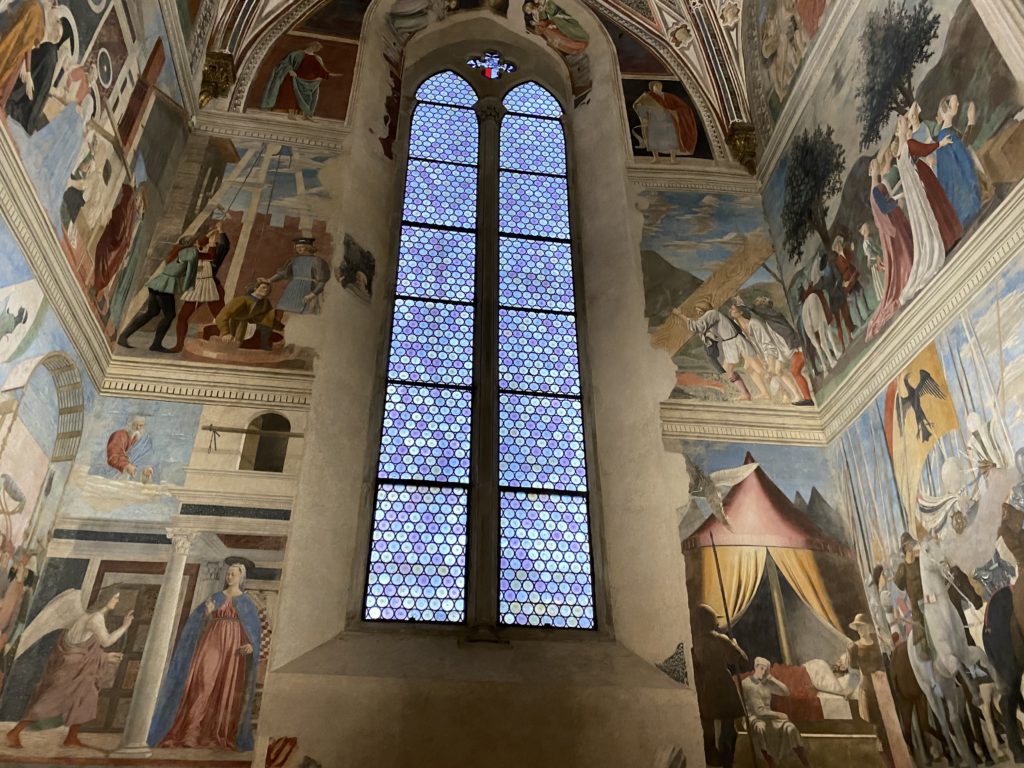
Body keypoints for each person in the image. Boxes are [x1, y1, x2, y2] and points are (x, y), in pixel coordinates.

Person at [148, 561, 263, 751]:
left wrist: (252, 645)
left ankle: (216, 733)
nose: (229, 576)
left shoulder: (246, 602)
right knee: (202, 684)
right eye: (228, 573)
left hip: (234, 649)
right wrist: (208, 614)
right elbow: (196, 623)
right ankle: (190, 732)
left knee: (227, 688)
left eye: (233, 574)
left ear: (241, 577)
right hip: (212, 642)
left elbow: (254, 630)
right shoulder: (215, 597)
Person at [5, 590, 133, 749]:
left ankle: (71, 738)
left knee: (86, 698)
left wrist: (104, 657)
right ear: (106, 599)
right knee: (50, 701)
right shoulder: (96, 618)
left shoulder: (86, 616)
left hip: (78, 667)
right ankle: (14, 733)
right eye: (115, 598)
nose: (117, 601)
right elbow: (105, 642)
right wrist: (125, 626)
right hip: (72, 669)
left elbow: (81, 646)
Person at [117, 236, 201, 352]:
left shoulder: (177, 250)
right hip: (164, 287)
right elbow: (191, 272)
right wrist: (189, 287)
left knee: (151, 312)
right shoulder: (191, 253)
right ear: (192, 243)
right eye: (195, 242)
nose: (197, 244)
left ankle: (123, 336)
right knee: (169, 315)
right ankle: (156, 344)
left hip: (156, 284)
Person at [691, 603, 747, 768]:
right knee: (728, 732)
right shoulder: (719, 639)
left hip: (704, 689)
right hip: (722, 688)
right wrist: (734, 645)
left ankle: (714, 762)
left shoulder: (694, 643)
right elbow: (741, 661)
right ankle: (725, 763)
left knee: (709, 732)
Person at [866, 155, 914, 340]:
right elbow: (884, 208)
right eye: (874, 167)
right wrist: (897, 200)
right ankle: (908, 272)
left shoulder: (876, 188)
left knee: (904, 248)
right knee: (902, 251)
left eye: (876, 165)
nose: (877, 167)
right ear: (871, 172)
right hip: (892, 226)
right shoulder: (874, 190)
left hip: (893, 223)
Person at [728, 301, 812, 405]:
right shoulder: (739, 325)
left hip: (774, 349)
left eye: (733, 309)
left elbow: (768, 343)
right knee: (776, 372)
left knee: (777, 371)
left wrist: (770, 362)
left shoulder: (755, 323)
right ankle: (790, 395)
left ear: (741, 312)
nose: (731, 310)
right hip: (766, 351)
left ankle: (794, 395)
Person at [685, 298, 769, 401]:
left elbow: (697, 327)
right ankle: (752, 394)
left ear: (704, 309)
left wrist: (682, 317)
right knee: (740, 369)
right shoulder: (710, 317)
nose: (698, 313)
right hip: (730, 343)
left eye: (699, 310)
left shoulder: (712, 313)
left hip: (735, 342)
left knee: (756, 368)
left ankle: (780, 389)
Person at [840, 615, 892, 767]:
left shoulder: (878, 642)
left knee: (890, 726)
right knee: (877, 729)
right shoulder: (854, 648)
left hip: (884, 688)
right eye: (859, 627)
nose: (861, 630)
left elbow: (887, 662)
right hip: (869, 690)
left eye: (863, 626)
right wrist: (849, 689)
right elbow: (854, 674)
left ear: (869, 627)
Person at [741, 657, 811, 768]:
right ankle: (771, 764)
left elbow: (786, 692)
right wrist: (779, 714)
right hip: (753, 717)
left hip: (769, 718)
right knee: (761, 728)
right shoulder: (747, 684)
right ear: (755, 667)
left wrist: (772, 678)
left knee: (790, 728)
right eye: (761, 668)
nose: (763, 672)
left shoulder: (766, 683)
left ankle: (806, 765)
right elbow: (759, 711)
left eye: (766, 670)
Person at [170, 224, 230, 352]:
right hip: (196, 287)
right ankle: (179, 345)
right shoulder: (191, 254)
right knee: (182, 316)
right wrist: (209, 237)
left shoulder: (214, 253)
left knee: (221, 317)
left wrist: (221, 231)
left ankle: (226, 344)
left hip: (212, 287)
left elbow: (225, 246)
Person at [932, 95, 982, 230]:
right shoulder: (946, 135)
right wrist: (970, 121)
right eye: (956, 102)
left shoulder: (947, 132)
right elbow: (963, 156)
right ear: (947, 108)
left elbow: (962, 145)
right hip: (965, 197)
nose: (958, 104)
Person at [260, 41, 340, 120]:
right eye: (316, 47)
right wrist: (290, 70)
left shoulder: (318, 58)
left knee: (309, 97)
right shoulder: (296, 54)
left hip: (308, 82)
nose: (317, 50)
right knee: (291, 94)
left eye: (318, 49)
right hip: (294, 79)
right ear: (312, 46)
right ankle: (291, 114)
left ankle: (306, 116)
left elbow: (322, 71)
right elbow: (284, 63)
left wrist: (329, 75)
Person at [93, 185, 145, 300]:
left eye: (139, 201)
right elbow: (122, 228)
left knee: (110, 266)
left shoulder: (133, 215)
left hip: (120, 247)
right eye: (137, 199)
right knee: (105, 259)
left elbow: (126, 233)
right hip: (117, 243)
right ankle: (97, 287)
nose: (137, 203)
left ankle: (98, 289)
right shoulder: (129, 209)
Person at [259, 237, 330, 315]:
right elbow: (283, 273)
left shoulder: (317, 261)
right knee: (285, 310)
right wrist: (269, 280)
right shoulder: (294, 260)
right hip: (292, 289)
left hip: (309, 290)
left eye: (302, 247)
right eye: (297, 247)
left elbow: (322, 282)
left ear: (308, 247)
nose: (299, 249)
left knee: (306, 313)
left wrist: (312, 294)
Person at [204, 281, 282, 351]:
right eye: (263, 287)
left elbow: (267, 317)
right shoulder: (241, 300)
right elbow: (222, 316)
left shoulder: (264, 304)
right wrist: (225, 333)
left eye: (268, 289)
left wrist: (281, 328)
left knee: (237, 345)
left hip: (243, 324)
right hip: (230, 323)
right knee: (224, 345)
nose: (266, 290)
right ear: (255, 288)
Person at [632, 81, 698, 162]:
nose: (658, 87)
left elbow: (683, 106)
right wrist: (646, 111)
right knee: (654, 140)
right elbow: (637, 105)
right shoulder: (647, 96)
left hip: (668, 121)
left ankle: (673, 158)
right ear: (652, 88)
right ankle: (656, 158)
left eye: (659, 85)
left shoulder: (669, 96)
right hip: (654, 121)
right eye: (656, 85)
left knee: (672, 139)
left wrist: (674, 111)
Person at [893, 531, 929, 659]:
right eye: (908, 546)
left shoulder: (920, 561)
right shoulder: (902, 568)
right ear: (904, 549)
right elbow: (898, 588)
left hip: (929, 600)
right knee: (922, 641)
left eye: (912, 544)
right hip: (916, 607)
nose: (911, 548)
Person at [523, 0, 589, 55]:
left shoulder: (548, 3)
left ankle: (577, 44)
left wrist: (544, 9)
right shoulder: (538, 10)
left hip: (559, 20)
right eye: (528, 11)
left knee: (568, 31)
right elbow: (544, 19)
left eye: (528, 9)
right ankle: (572, 47)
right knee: (556, 37)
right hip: (551, 24)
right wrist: (539, 19)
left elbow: (552, 11)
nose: (529, 12)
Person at [831, 236, 869, 328]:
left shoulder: (846, 251)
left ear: (840, 244)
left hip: (853, 276)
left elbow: (852, 257)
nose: (838, 247)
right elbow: (837, 276)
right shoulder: (837, 262)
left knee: (860, 292)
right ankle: (860, 321)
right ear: (835, 250)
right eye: (836, 247)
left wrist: (852, 249)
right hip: (847, 282)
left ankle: (867, 311)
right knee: (853, 301)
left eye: (838, 245)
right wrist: (843, 283)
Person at [105, 415, 153, 480]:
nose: (138, 428)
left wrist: (144, 470)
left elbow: (140, 461)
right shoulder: (119, 435)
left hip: (131, 476)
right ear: (129, 425)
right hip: (115, 474)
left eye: (141, 425)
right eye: (135, 425)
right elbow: (113, 456)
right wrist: (126, 465)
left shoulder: (141, 441)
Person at [859, 222, 884, 305]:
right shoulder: (866, 242)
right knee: (881, 279)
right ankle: (885, 295)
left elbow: (876, 249)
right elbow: (870, 255)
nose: (869, 229)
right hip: (876, 262)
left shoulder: (868, 239)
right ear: (864, 231)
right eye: (867, 228)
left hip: (878, 259)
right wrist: (878, 257)